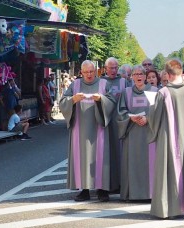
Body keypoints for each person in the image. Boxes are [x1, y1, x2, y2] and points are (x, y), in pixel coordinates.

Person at [147, 58, 184, 219]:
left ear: (168, 75)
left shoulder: (163, 92)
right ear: (180, 72)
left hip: (168, 138)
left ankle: (170, 209)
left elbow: (154, 117)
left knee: (170, 169)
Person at [59, 60, 116, 202]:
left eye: (91, 71)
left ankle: (102, 190)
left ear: (95, 71)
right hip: (80, 128)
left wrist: (101, 99)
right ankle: (83, 190)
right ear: (81, 72)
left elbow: (112, 101)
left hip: (99, 127)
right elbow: (62, 102)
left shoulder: (103, 84)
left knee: (101, 157)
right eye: (86, 72)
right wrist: (73, 99)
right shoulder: (75, 84)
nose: (89, 74)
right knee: (82, 157)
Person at [117, 65, 158, 201]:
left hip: (149, 134)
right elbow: (121, 112)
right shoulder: (126, 92)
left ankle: (150, 193)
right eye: (135, 74)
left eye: (141, 74)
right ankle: (131, 193)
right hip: (132, 133)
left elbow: (158, 112)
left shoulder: (153, 91)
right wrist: (130, 117)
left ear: (146, 76)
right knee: (132, 163)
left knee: (149, 164)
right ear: (132, 77)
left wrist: (148, 118)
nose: (139, 76)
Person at [101, 57, 126, 193]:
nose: (114, 70)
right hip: (105, 122)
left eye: (116, 67)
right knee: (105, 154)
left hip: (119, 122)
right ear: (105, 68)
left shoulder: (123, 82)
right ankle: (106, 183)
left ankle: (121, 182)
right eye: (111, 68)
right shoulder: (101, 82)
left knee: (119, 153)